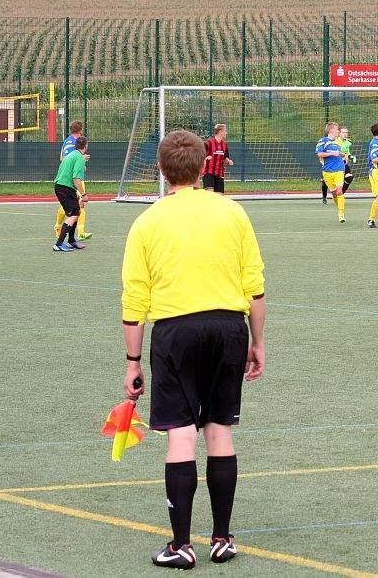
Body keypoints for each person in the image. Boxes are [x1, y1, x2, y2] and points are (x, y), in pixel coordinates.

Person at [121, 130, 266, 570]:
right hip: (228, 328)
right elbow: (255, 287)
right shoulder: (232, 212)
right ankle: (221, 539)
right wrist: (257, 341)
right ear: (204, 167)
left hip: (174, 332)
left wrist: (132, 363)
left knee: (181, 434)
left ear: (161, 170)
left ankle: (181, 545)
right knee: (219, 430)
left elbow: (134, 301)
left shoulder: (147, 222)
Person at [54, 121, 92, 240]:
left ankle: (79, 232)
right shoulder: (71, 142)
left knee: (77, 204)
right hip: (71, 179)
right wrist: (81, 158)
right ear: (80, 130)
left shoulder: (72, 141)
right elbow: (65, 158)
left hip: (74, 178)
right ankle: (60, 227)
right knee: (75, 205)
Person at [315, 122, 347, 223]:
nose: (338, 131)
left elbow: (337, 154)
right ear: (331, 130)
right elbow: (319, 154)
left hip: (339, 169)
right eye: (337, 129)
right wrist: (332, 153)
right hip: (327, 171)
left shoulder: (338, 142)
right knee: (334, 193)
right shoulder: (323, 141)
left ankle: (341, 214)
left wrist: (343, 155)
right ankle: (339, 208)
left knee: (339, 191)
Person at [322, 126, 356, 202]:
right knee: (325, 180)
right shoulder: (334, 141)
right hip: (333, 164)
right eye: (343, 132)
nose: (345, 134)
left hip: (342, 164)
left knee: (349, 177)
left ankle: (340, 194)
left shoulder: (348, 143)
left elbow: (347, 153)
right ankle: (324, 196)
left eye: (346, 132)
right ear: (339, 133)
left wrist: (350, 157)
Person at [202, 124, 234, 194]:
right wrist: (206, 158)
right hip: (209, 173)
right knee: (210, 195)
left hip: (219, 174)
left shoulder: (224, 145)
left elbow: (225, 158)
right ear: (220, 131)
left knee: (219, 197)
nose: (226, 133)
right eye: (225, 131)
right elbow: (200, 156)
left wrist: (228, 161)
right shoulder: (208, 143)